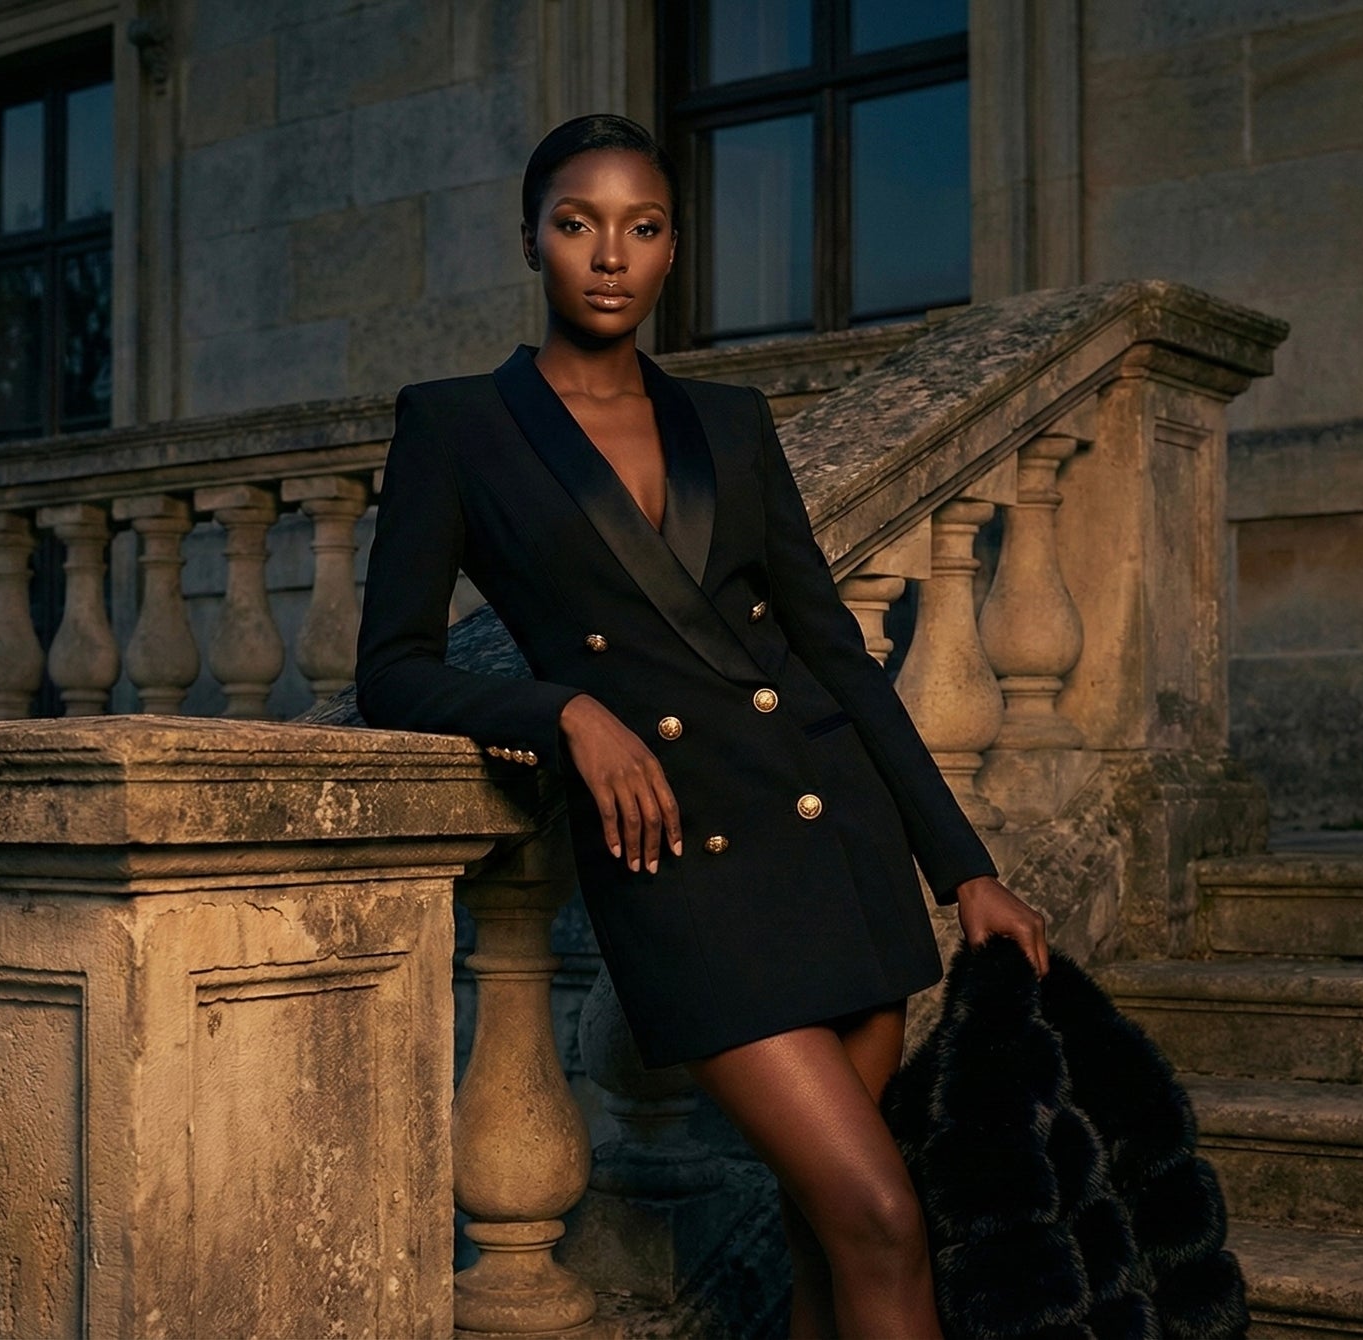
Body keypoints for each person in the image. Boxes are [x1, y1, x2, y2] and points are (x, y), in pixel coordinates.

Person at [355, 113, 1050, 1339]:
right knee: (883, 1218)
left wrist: (966, 867)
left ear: (673, 249)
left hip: (831, 834)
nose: (608, 255)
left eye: (642, 226)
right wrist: (565, 710)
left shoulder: (731, 420)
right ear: (531, 240)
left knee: (829, 1230)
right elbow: (392, 670)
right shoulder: (457, 426)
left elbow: (835, 652)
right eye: (577, 224)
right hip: (687, 871)